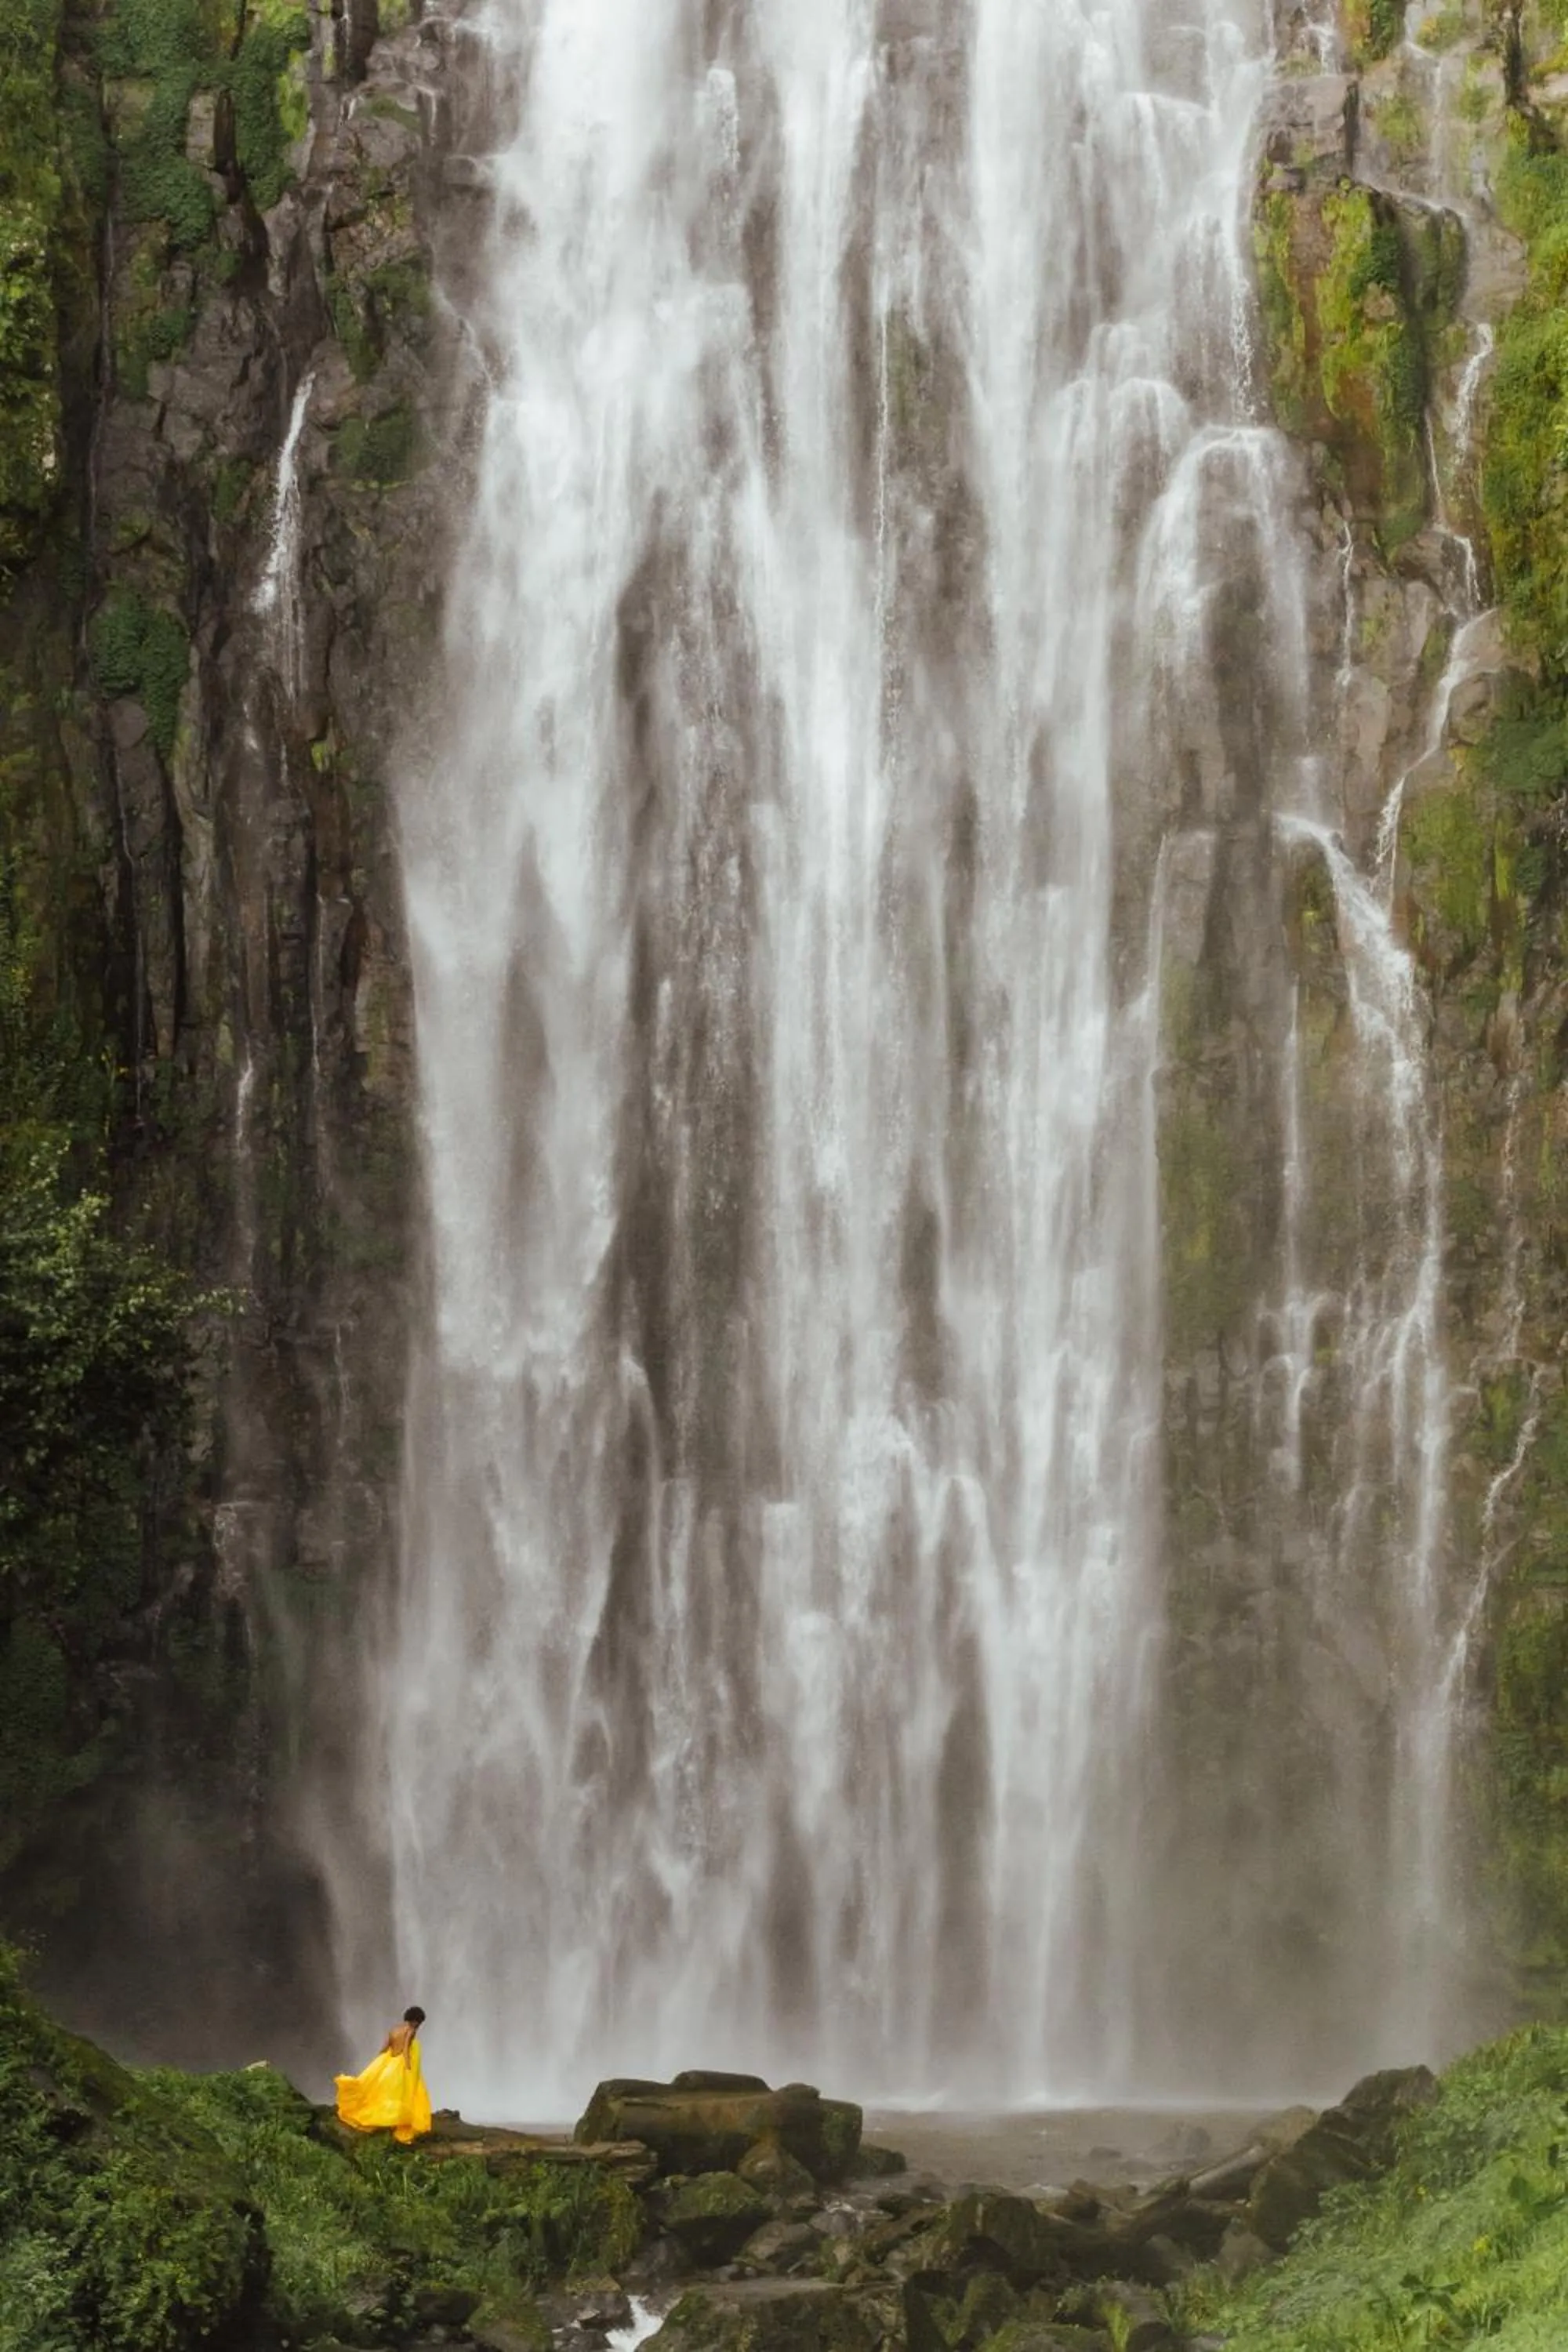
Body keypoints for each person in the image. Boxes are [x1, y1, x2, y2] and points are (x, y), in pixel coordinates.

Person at [334, 2005, 433, 2145]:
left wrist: (378, 2063)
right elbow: (405, 2049)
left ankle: (385, 2121)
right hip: (400, 2064)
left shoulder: (394, 2030)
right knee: (401, 2093)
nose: (419, 2026)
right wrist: (409, 2067)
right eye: (420, 2022)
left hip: (389, 2062)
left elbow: (385, 2048)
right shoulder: (410, 2031)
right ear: (415, 2021)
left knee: (381, 2091)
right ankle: (395, 2121)